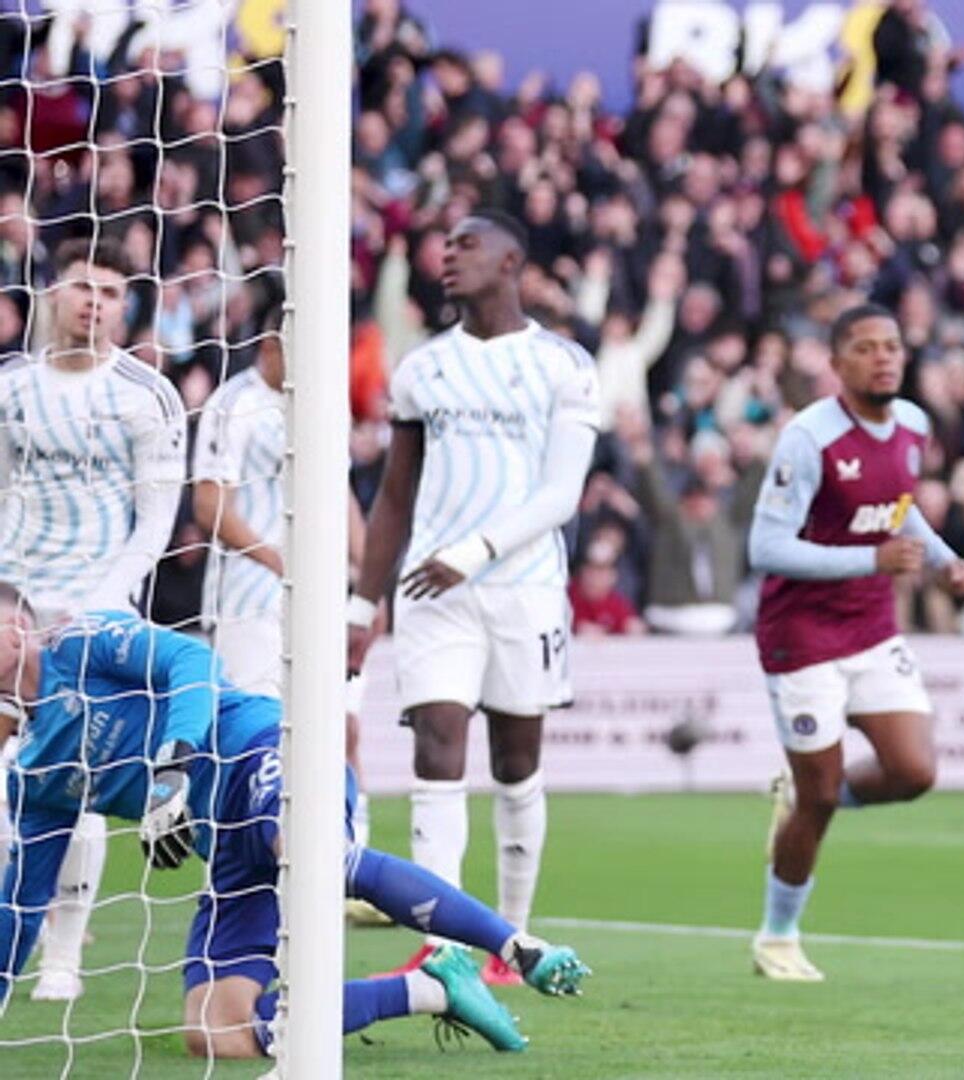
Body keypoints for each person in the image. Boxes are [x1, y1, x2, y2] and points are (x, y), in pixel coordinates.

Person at [0, 587, 590, 1055]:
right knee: (215, 1033)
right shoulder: (31, 774)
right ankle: (433, 989)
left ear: (17, 626)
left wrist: (171, 766)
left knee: (308, 852)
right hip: (228, 844)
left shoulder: (80, 641)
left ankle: (517, 946)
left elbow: (193, 661)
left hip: (264, 748)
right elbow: (21, 904)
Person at [347, 210, 601, 985]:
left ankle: (512, 941)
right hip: (433, 591)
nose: (448, 256)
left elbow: (562, 494)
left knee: (516, 763)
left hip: (524, 590)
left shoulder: (564, 365)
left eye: (467, 244)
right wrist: (362, 605)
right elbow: (394, 496)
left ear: (512, 261)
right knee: (436, 747)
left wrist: (476, 552)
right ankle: (446, 946)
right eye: (445, 245)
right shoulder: (423, 368)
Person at [747, 303, 964, 982]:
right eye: (865, 347)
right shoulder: (808, 438)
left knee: (914, 771)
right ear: (836, 363)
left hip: (872, 627)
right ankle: (777, 937)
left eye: (892, 346)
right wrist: (870, 561)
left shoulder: (913, 426)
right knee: (820, 796)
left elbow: (898, 510)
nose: (883, 357)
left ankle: (799, 799)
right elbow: (766, 547)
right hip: (802, 636)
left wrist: (944, 560)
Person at [0, 237, 186, 1001]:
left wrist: (102, 602)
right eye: (83, 287)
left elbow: (157, 519)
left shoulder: (146, 394)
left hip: (95, 612)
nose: (95, 303)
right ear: (53, 293)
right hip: (11, 607)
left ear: (125, 307)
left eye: (111, 294)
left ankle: (64, 956)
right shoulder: (11, 385)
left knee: (74, 778)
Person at [191, 319, 386, 917]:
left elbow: (343, 496)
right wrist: (278, 560)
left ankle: (349, 866)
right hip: (247, 600)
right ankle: (242, 876)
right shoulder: (233, 403)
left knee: (341, 726)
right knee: (257, 736)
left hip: (324, 599)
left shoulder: (323, 402)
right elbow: (208, 502)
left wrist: (369, 584)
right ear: (272, 345)